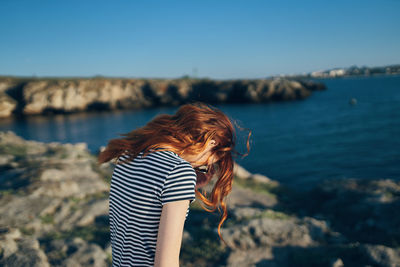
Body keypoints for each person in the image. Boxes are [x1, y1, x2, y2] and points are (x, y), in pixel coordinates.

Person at [98, 102, 251, 267]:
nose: (205, 166)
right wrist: (183, 180)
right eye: (212, 162)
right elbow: (165, 263)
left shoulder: (128, 156)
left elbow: (142, 215)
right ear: (211, 142)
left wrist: (188, 188)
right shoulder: (178, 171)